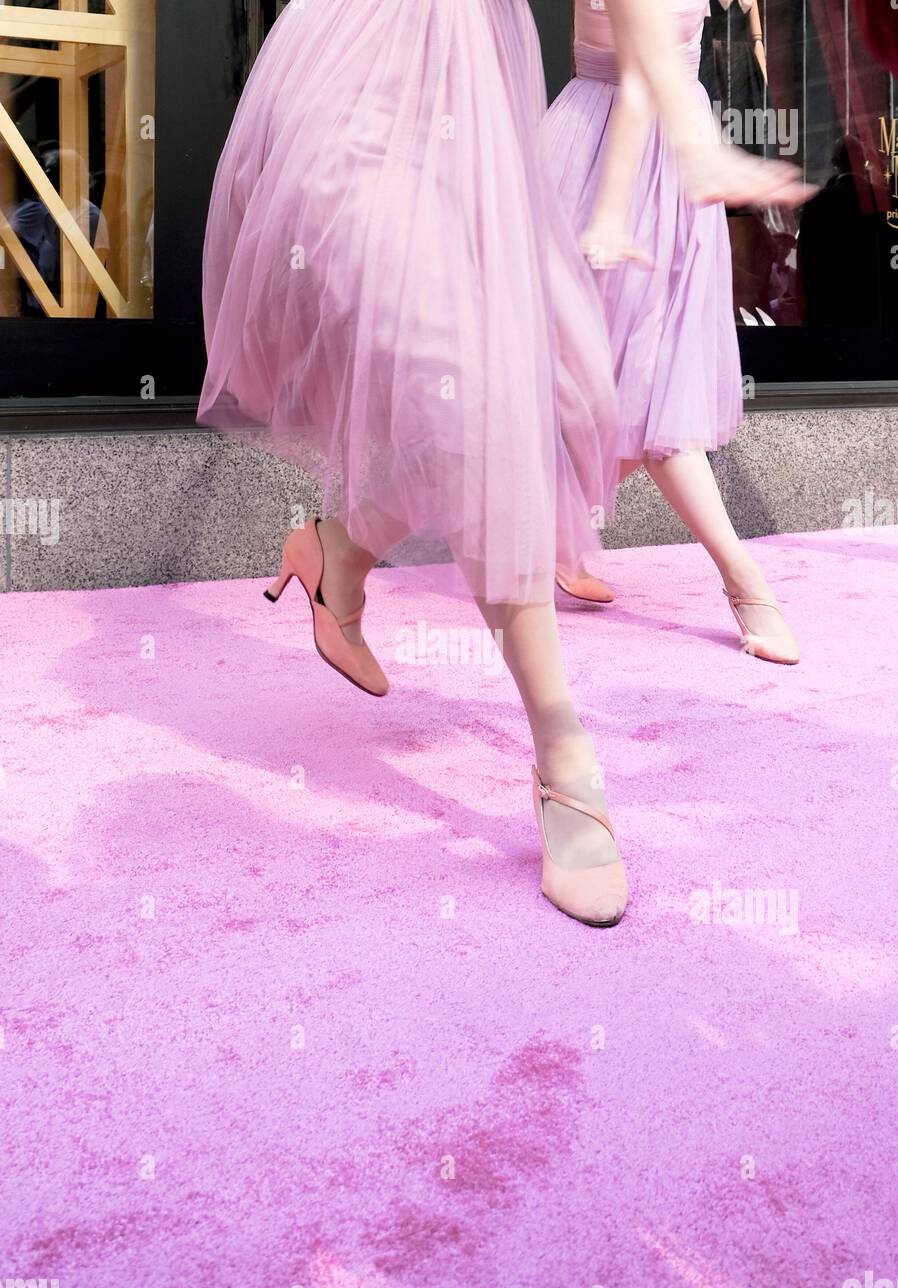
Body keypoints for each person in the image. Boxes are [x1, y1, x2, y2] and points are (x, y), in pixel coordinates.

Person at [199, 0, 808, 928]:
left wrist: (685, 137)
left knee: (492, 395)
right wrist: (689, 140)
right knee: (473, 393)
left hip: (475, 111)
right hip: (359, 89)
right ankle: (566, 760)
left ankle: (336, 552)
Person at [544, 0, 813, 664]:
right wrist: (613, 211)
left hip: (650, 153)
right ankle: (746, 583)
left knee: (637, 383)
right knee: (649, 393)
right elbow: (639, 78)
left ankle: (551, 528)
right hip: (628, 157)